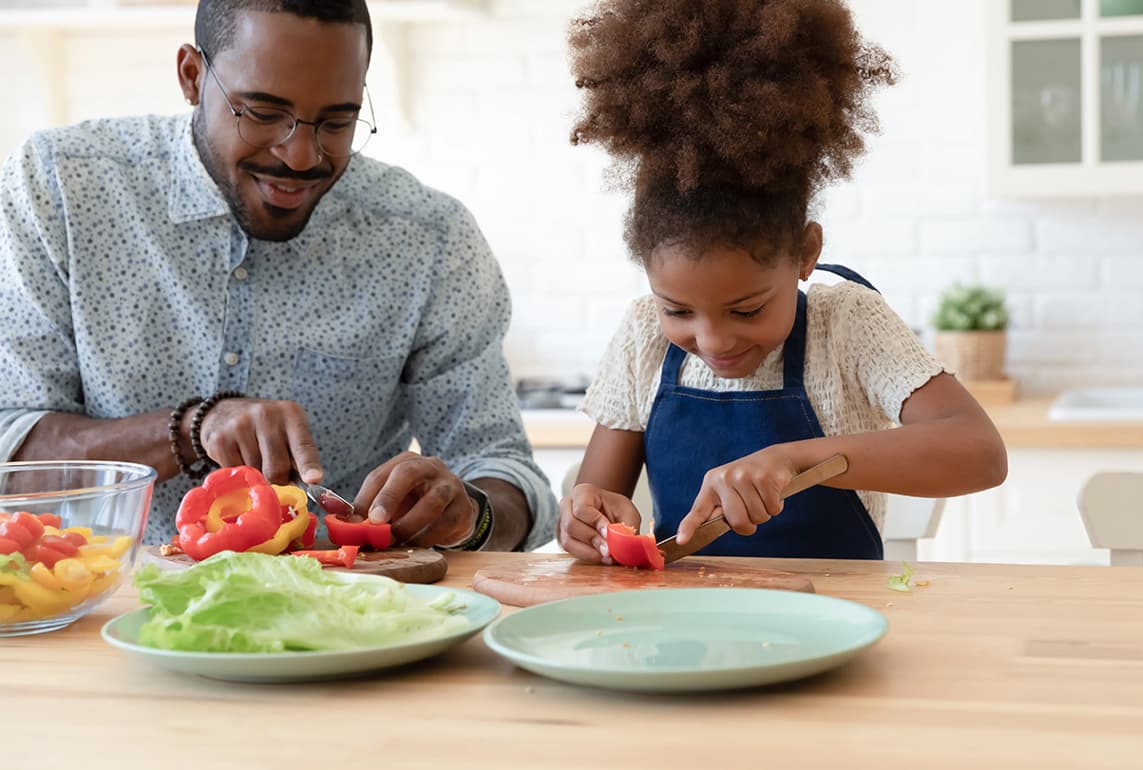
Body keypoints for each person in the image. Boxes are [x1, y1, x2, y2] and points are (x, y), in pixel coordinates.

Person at [0, 0, 556, 551]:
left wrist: (469, 517)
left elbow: (503, 471)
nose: (299, 155)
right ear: (192, 77)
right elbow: (10, 449)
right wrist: (193, 428)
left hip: (348, 617)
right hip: (94, 610)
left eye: (337, 121)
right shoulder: (59, 189)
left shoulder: (428, 237)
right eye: (263, 113)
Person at [557, 0, 1008, 563]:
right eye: (677, 310)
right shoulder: (641, 337)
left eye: (746, 310)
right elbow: (598, 501)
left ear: (805, 252)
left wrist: (799, 459)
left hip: (838, 622)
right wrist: (587, 520)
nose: (714, 340)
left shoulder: (847, 325)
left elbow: (981, 454)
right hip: (684, 632)